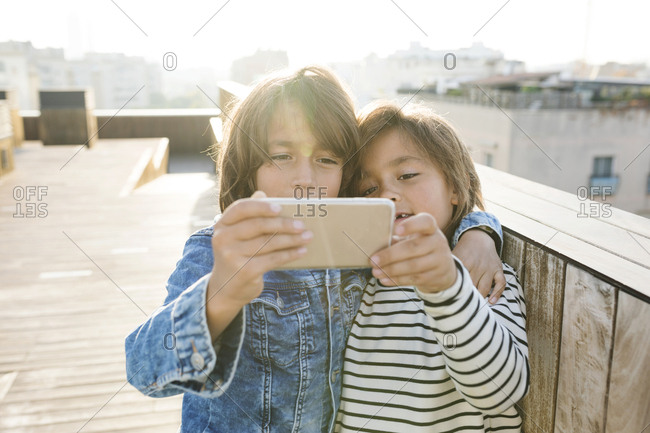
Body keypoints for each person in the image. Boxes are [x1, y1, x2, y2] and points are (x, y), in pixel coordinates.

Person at [125, 66, 505, 432]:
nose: (305, 180)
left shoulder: (357, 244)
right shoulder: (216, 250)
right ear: (248, 166)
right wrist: (220, 295)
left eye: (326, 160)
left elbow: (429, 214)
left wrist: (479, 232)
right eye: (282, 156)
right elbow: (144, 371)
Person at [335, 102, 529, 432]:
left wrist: (447, 286)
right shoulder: (356, 284)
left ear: (454, 187)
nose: (387, 195)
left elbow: (500, 392)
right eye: (369, 189)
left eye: (407, 175)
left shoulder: (481, 277)